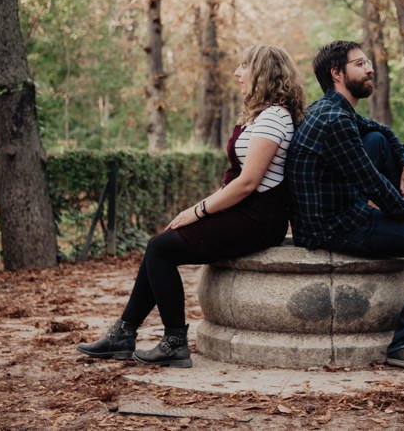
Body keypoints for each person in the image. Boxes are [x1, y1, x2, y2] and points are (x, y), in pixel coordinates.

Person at [78, 44, 306, 368]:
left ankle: (172, 342)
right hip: (248, 211)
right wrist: (202, 207)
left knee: (161, 248)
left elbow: (247, 182)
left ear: (262, 73)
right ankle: (124, 334)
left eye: (244, 66)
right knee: (160, 244)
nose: (237, 73)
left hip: (258, 217)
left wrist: (197, 210)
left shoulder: (273, 118)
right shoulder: (262, 115)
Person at [287, 40, 404, 373]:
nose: (370, 68)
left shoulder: (335, 109)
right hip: (332, 227)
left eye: (368, 63)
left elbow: (382, 130)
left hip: (341, 212)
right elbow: (372, 184)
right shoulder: (335, 120)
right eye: (359, 64)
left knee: (378, 140)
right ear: (337, 73)